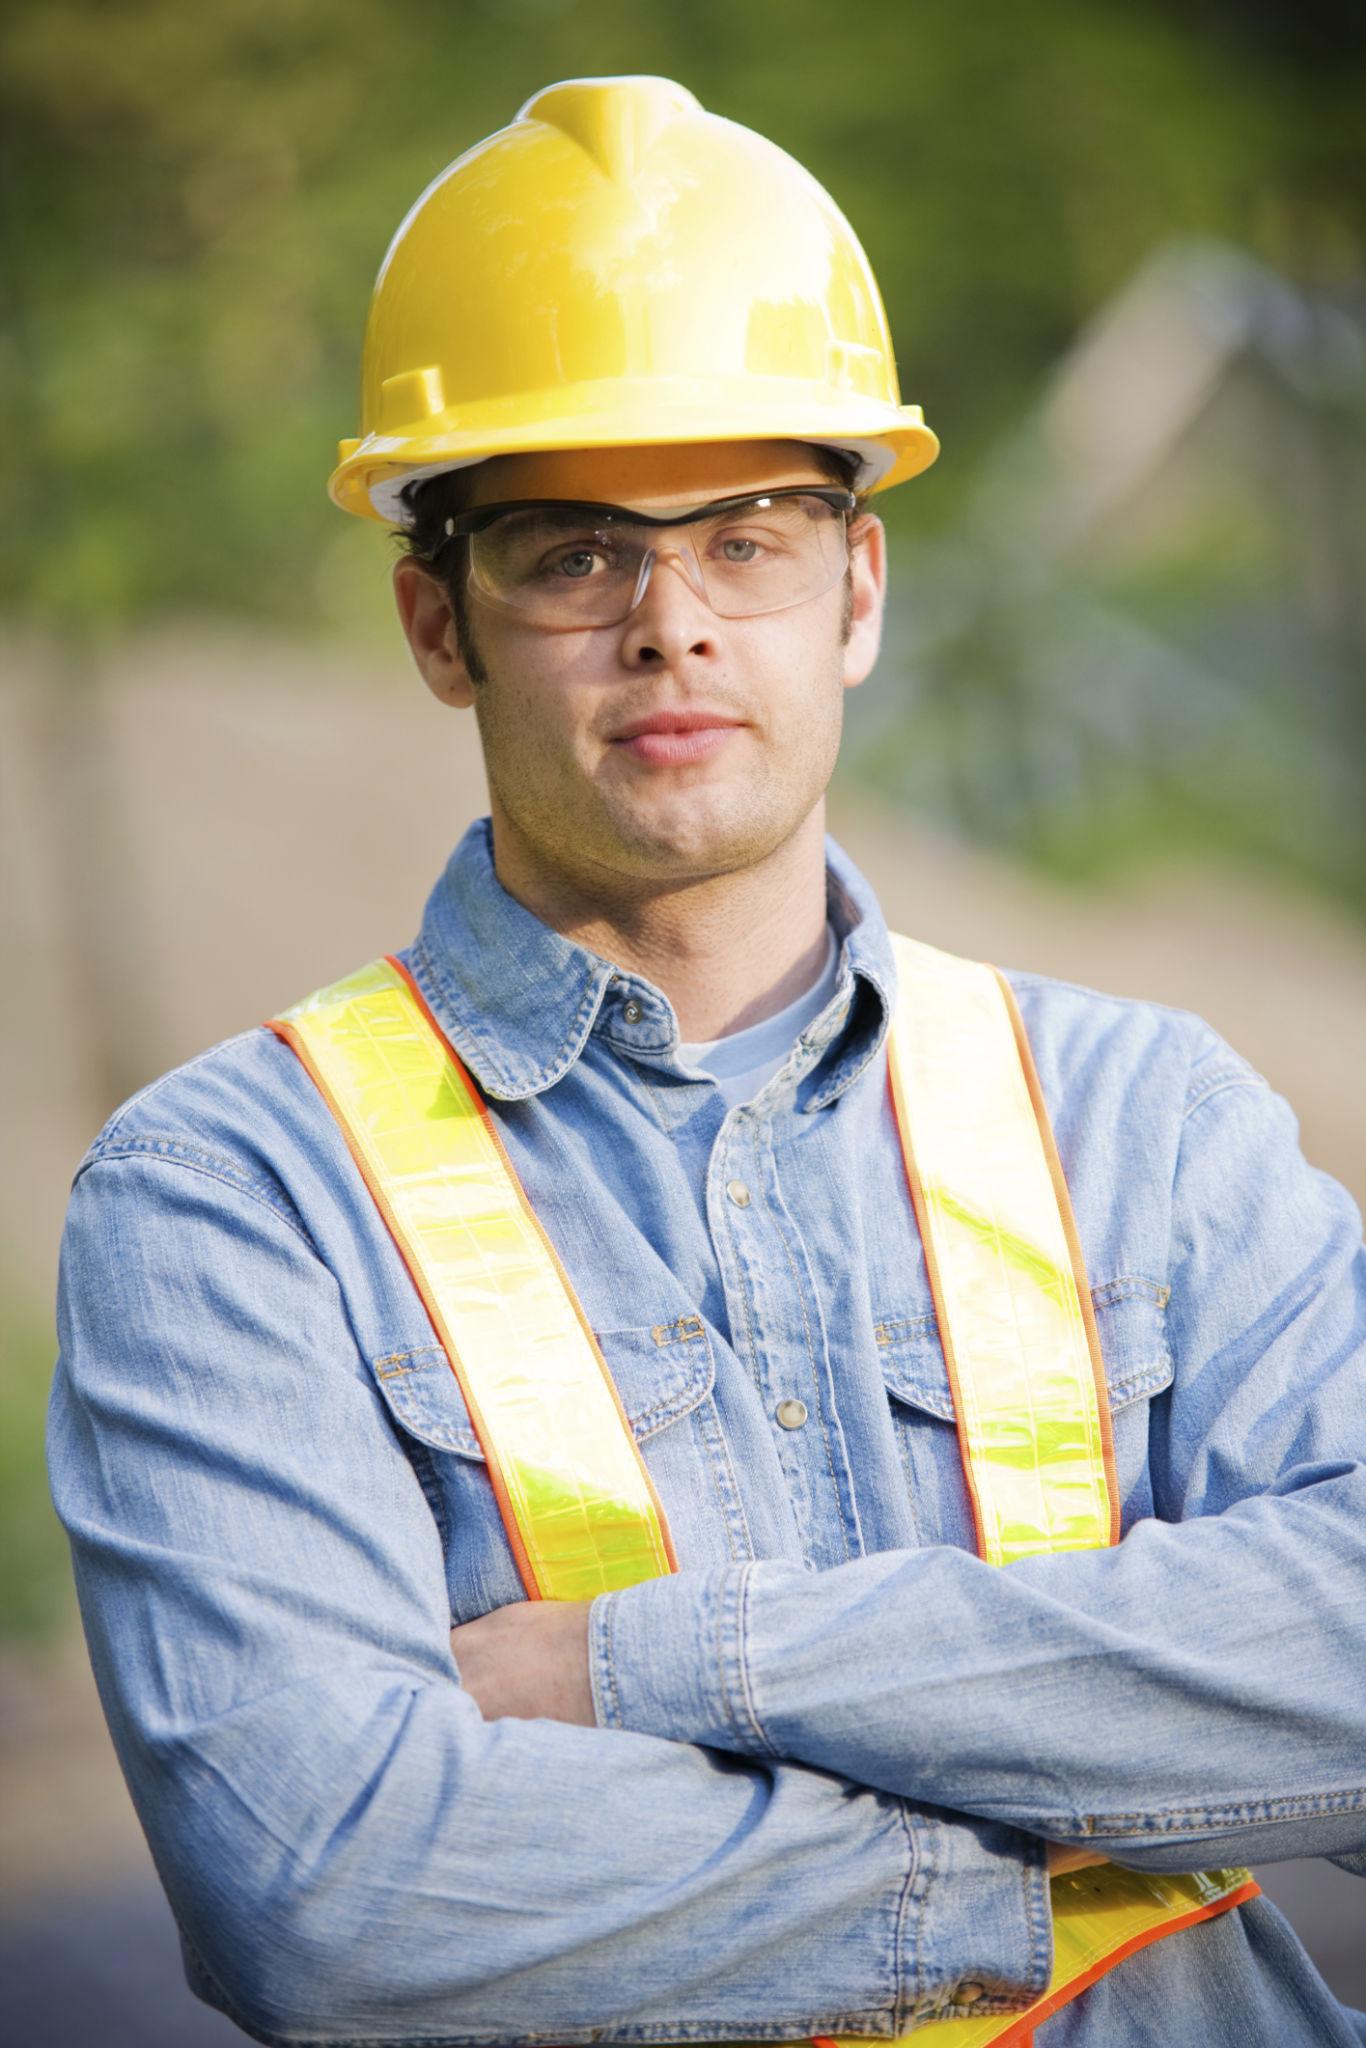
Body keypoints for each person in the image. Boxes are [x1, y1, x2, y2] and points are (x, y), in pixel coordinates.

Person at [48, 74, 1365, 2048]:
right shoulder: (233, 1193)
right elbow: (333, 1894)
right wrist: (1061, 1875)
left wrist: (652, 1670)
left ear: (857, 589)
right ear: (437, 618)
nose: (668, 620)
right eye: (571, 551)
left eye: (748, 534)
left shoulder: (1137, 1111)